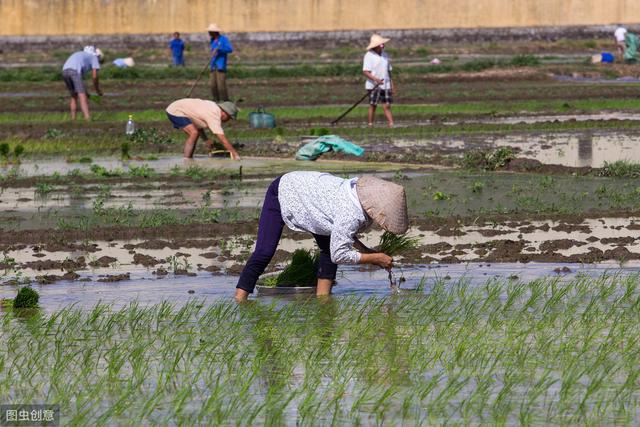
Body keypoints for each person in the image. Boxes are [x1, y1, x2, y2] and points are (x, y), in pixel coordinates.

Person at [235, 172, 409, 301]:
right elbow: (339, 254)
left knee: (327, 247)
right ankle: (240, 300)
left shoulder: (356, 197)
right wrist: (374, 257)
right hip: (284, 191)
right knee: (264, 252)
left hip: (313, 199)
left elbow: (343, 235)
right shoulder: (350, 212)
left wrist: (366, 251)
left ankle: (323, 300)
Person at [165, 98, 241, 160]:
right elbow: (222, 139)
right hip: (175, 110)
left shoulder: (213, 108)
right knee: (194, 133)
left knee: (195, 132)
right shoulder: (213, 115)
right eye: (229, 118)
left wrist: (206, 140)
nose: (228, 120)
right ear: (224, 113)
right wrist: (235, 154)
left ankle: (190, 158)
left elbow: (198, 123)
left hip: (179, 107)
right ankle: (186, 160)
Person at [61, 46, 104, 121]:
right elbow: (94, 76)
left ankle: (73, 119)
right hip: (74, 71)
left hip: (64, 71)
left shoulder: (81, 55)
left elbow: (80, 84)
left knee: (74, 95)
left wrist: (87, 94)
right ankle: (88, 119)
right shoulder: (94, 57)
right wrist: (97, 90)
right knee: (82, 96)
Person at [363, 34, 395, 127]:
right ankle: (370, 124)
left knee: (387, 105)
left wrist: (392, 85)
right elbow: (365, 71)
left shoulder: (385, 55)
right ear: (376, 46)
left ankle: (391, 123)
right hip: (373, 85)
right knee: (373, 105)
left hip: (386, 84)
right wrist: (376, 79)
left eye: (383, 44)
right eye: (381, 44)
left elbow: (389, 71)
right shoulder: (369, 55)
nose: (383, 46)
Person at [207, 23, 233, 102]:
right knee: (212, 85)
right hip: (213, 66)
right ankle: (216, 101)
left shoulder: (223, 39)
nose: (209, 33)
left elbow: (230, 49)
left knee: (221, 86)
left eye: (210, 32)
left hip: (220, 66)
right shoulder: (212, 40)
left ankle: (225, 101)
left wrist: (219, 49)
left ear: (215, 32)